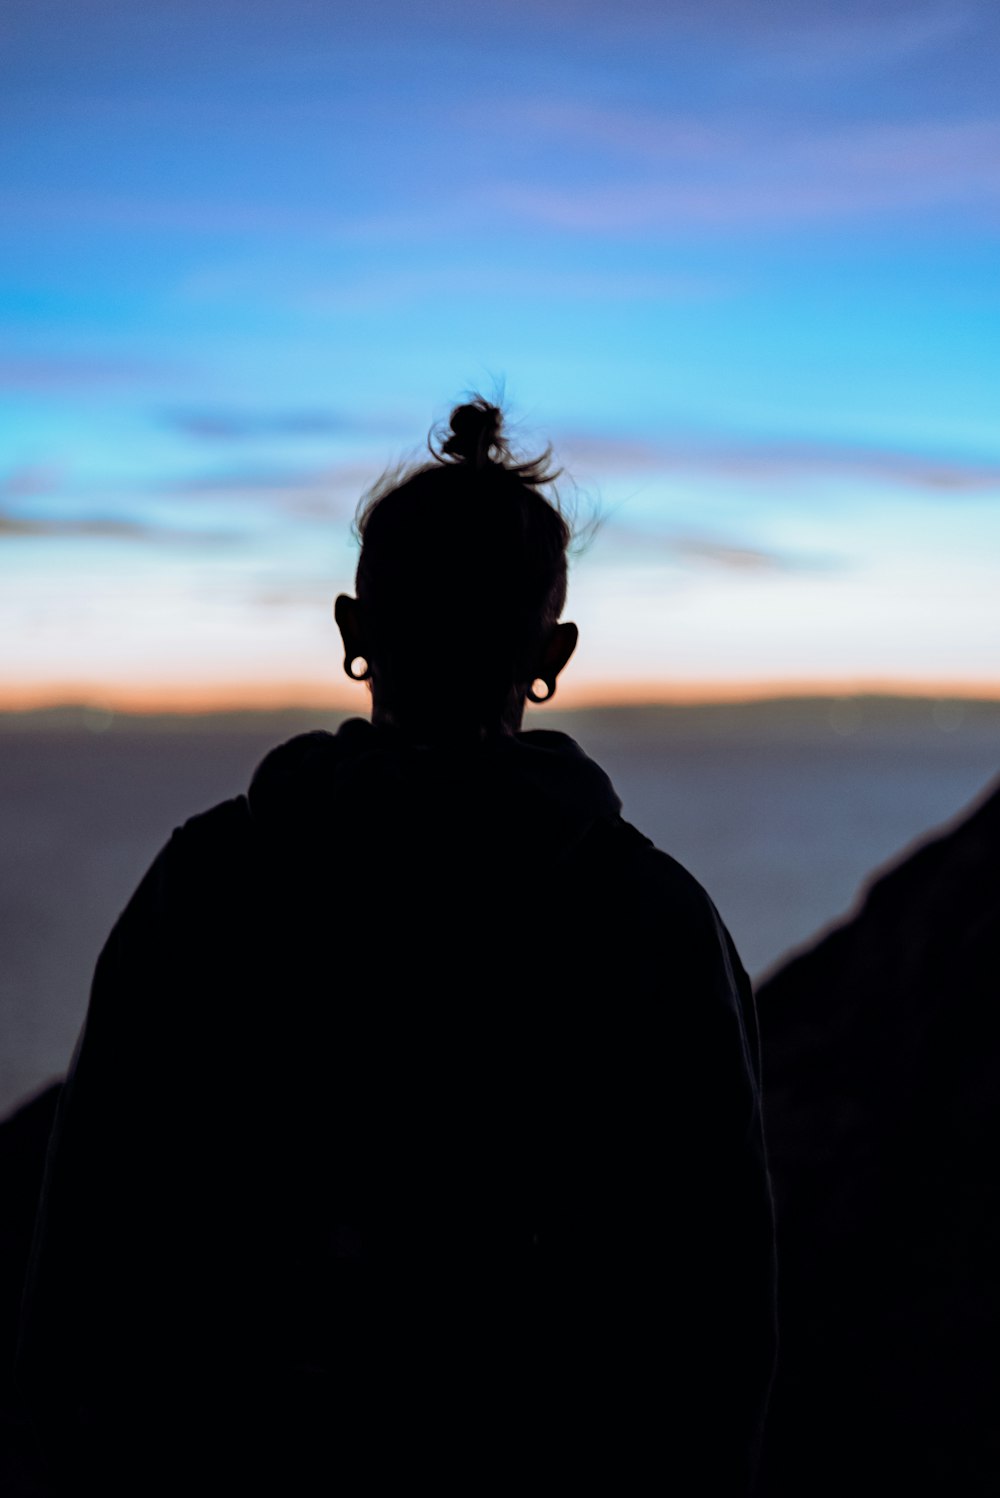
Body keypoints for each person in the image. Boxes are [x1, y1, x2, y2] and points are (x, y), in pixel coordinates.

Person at [17, 398, 776, 1494]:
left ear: (352, 632)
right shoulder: (653, 919)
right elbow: (716, 1326)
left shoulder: (212, 882)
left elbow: (87, 1262)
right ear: (551, 652)